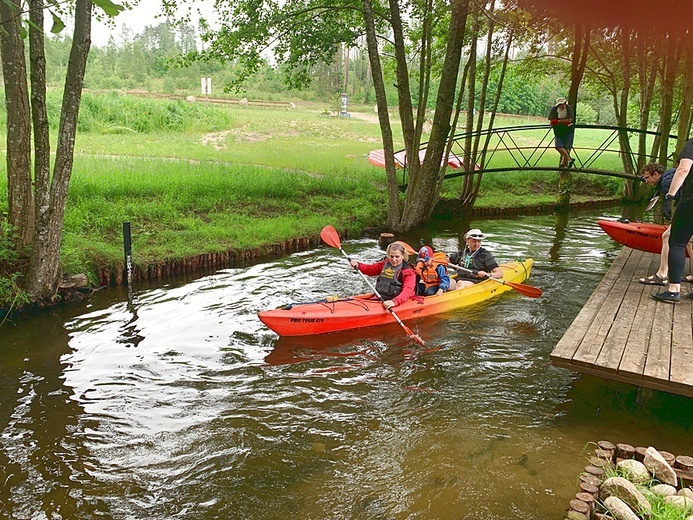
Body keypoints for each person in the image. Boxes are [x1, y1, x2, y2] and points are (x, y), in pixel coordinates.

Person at [637, 162, 693, 286]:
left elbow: (683, 198)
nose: (646, 181)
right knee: (689, 242)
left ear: (656, 174)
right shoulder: (670, 174)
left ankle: (662, 275)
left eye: (647, 178)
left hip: (689, 208)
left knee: (667, 236)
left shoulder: (666, 182)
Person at [652, 138, 693, 302]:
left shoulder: (692, 144)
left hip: (691, 202)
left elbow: (683, 169)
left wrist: (670, 197)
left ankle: (674, 289)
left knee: (677, 242)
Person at [349, 241, 416, 309]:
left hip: (396, 300)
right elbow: (371, 269)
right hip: (381, 297)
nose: (394, 259)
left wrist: (394, 302)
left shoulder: (408, 272)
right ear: (388, 255)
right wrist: (358, 265)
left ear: (403, 256)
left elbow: (408, 290)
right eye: (391, 256)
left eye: (397, 257)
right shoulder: (385, 264)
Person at [547, 97, 575, 168]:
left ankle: (563, 163)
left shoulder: (569, 109)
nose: (561, 106)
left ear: (565, 103)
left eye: (562, 104)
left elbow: (569, 120)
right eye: (559, 105)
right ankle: (569, 159)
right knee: (558, 146)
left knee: (567, 147)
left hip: (568, 130)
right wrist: (561, 121)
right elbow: (551, 120)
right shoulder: (554, 109)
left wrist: (558, 121)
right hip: (558, 131)